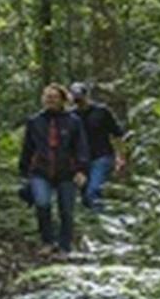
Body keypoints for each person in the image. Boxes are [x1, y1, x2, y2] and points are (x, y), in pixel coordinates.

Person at [18, 83, 89, 254]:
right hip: (40, 170)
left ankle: (65, 245)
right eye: (47, 97)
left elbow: (81, 147)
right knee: (42, 203)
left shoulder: (74, 121)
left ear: (63, 100)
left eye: (54, 97)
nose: (50, 100)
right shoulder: (34, 121)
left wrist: (82, 170)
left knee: (66, 210)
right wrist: (23, 172)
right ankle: (47, 241)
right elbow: (27, 148)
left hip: (67, 171)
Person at [69, 81, 127, 211]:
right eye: (75, 98)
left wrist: (121, 157)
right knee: (84, 196)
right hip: (81, 161)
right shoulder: (70, 116)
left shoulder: (101, 112)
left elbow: (117, 134)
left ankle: (101, 224)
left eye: (80, 97)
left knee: (93, 191)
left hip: (102, 156)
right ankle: (93, 225)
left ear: (86, 95)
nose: (78, 101)